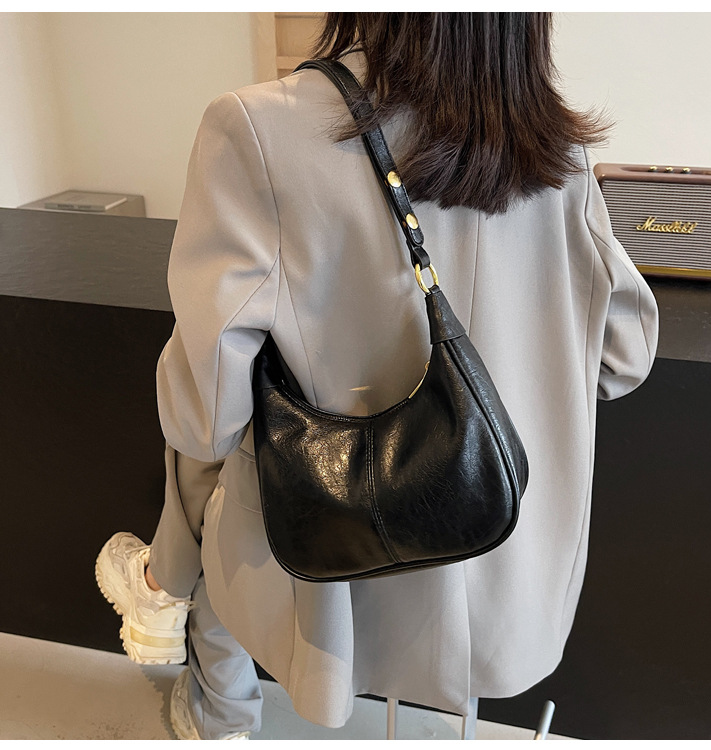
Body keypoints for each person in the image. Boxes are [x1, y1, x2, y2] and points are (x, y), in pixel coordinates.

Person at [96, 12, 658, 740]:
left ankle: (186, 641)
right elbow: (623, 358)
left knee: (219, 446)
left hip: (339, 570)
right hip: (506, 559)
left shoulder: (255, 127)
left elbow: (204, 418)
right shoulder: (559, 149)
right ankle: (167, 600)